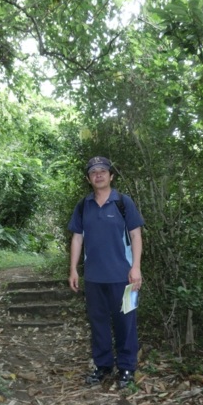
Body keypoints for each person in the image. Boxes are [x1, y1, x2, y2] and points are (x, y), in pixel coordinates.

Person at [68, 156, 144, 388]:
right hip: (94, 278)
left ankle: (127, 368)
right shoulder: (84, 205)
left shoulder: (123, 202)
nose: (98, 174)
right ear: (89, 179)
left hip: (125, 278)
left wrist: (136, 267)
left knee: (126, 323)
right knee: (98, 323)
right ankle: (103, 366)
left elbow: (136, 235)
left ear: (111, 176)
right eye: (94, 172)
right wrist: (73, 270)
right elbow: (77, 238)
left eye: (103, 170)